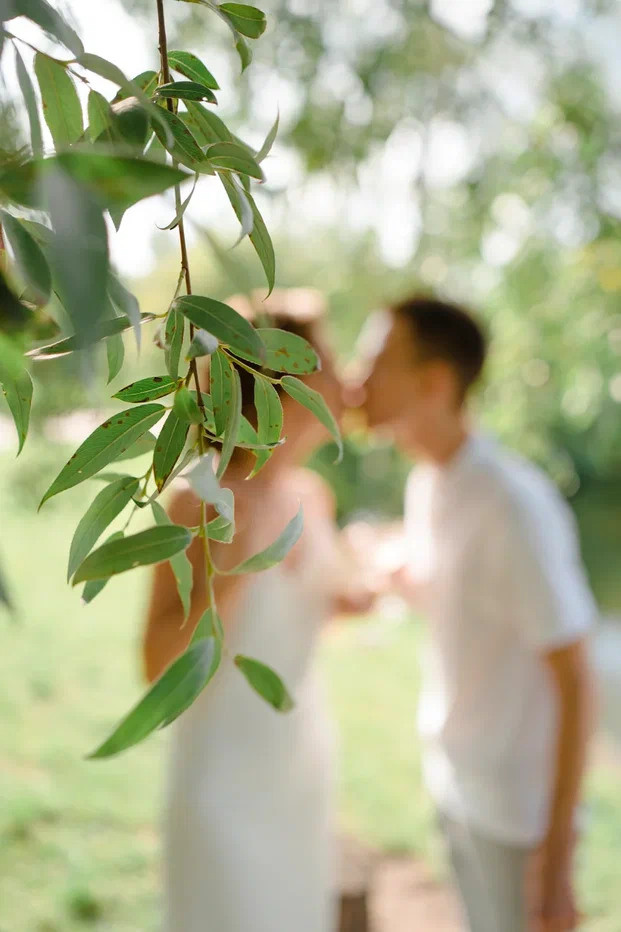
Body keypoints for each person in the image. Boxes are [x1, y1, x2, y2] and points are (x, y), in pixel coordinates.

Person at [360, 295, 597, 932]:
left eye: (377, 361)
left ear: (434, 383)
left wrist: (556, 858)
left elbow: (577, 675)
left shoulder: (512, 505)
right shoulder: (428, 483)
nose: (357, 379)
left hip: (517, 813)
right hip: (455, 779)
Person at [143, 288, 371, 932]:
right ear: (280, 383)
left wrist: (351, 598)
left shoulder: (313, 497)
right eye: (328, 362)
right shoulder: (199, 501)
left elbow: (288, 623)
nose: (345, 378)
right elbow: (156, 668)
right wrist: (231, 570)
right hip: (223, 781)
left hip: (300, 769)